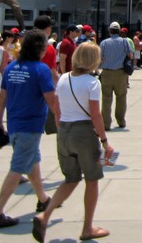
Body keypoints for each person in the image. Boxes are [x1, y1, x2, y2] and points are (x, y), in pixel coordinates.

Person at [32, 42, 116, 242]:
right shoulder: (92, 83)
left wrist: (62, 129)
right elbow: (96, 115)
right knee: (92, 179)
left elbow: (57, 108)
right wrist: (105, 141)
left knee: (70, 179)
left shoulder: (63, 78)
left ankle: (45, 215)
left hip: (64, 131)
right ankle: (88, 228)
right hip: (83, 132)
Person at [0, 30, 58, 229]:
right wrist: (62, 121)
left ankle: (43, 199)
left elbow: (2, 96)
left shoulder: (11, 68)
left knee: (32, 162)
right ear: (40, 48)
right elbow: (51, 99)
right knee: (17, 168)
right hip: (31, 125)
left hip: (15, 123)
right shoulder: (41, 69)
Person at [98, 22, 131, 130]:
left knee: (106, 98)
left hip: (106, 73)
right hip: (120, 73)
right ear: (119, 31)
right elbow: (130, 55)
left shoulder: (104, 43)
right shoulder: (124, 42)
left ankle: (106, 124)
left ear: (109, 31)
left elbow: (100, 57)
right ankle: (121, 121)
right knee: (121, 97)